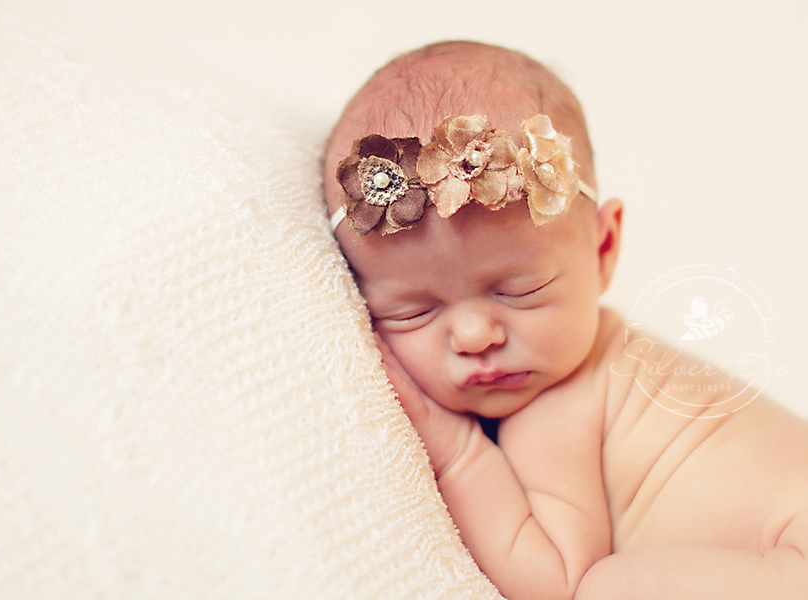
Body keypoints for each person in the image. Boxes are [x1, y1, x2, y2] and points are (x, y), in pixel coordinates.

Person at [323, 41, 808, 599]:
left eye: (519, 291)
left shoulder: (559, 403)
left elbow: (556, 581)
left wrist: (456, 452)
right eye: (413, 312)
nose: (476, 335)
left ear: (602, 249)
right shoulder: (616, 359)